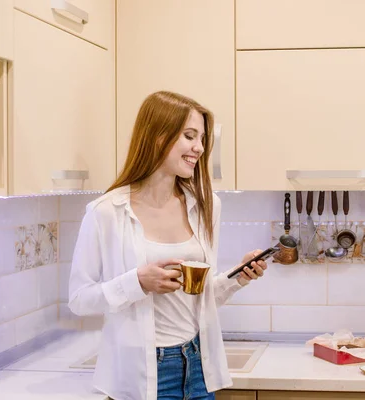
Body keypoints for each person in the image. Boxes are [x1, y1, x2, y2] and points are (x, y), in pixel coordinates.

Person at [68, 91, 268, 400]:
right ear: (158, 136)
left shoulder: (206, 206)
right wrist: (137, 282)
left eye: (202, 138)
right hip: (144, 376)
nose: (199, 148)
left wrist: (239, 276)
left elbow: (201, 297)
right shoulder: (106, 212)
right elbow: (80, 300)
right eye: (190, 136)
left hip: (198, 367)